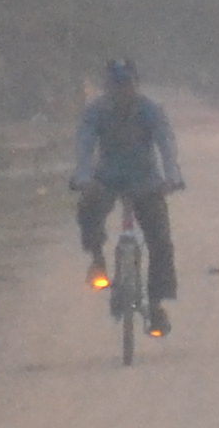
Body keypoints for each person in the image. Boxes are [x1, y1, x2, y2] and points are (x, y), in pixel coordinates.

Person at [70, 59, 183, 330]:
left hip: (145, 181)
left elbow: (165, 142)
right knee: (88, 210)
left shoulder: (150, 110)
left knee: (160, 240)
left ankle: (155, 304)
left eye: (127, 84)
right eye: (115, 85)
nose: (121, 91)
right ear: (107, 87)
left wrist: (172, 176)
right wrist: (83, 177)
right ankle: (97, 259)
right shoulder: (96, 111)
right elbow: (85, 144)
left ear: (136, 84)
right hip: (107, 179)